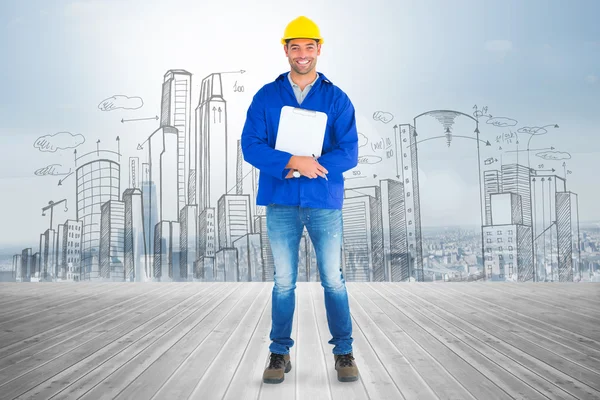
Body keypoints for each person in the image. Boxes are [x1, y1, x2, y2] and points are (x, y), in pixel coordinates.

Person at [241, 15, 360, 384]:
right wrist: (292, 162)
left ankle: (344, 353)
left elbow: (350, 152)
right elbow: (251, 145)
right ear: (286, 50)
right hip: (281, 201)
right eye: (296, 47)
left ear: (319, 49)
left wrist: (313, 166)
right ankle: (280, 352)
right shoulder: (267, 96)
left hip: (323, 201)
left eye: (310, 47)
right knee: (283, 282)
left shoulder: (336, 98)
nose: (303, 54)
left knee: (334, 280)